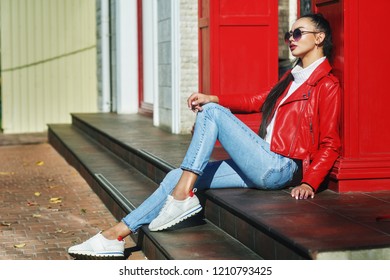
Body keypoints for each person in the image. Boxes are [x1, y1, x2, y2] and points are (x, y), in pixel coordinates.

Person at [68, 13, 341, 259]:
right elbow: (257, 100)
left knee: (211, 113)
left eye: (297, 33)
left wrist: (310, 182)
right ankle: (116, 234)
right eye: (288, 34)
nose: (290, 39)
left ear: (319, 38)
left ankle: (183, 196)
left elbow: (331, 143)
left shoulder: (326, 84)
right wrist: (215, 96)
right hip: (264, 159)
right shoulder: (293, 76)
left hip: (282, 167)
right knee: (176, 176)